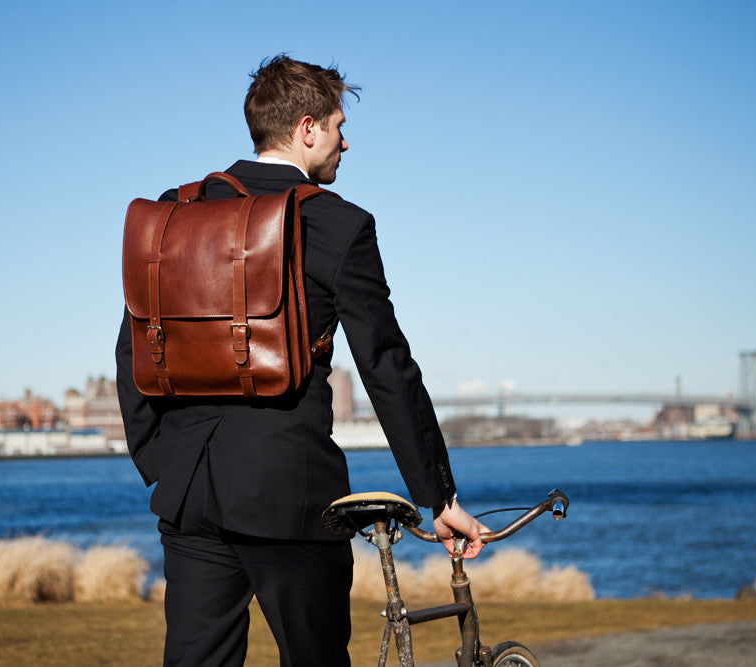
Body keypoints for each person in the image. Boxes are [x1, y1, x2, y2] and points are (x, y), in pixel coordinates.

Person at [115, 54, 486, 666]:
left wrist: (160, 461)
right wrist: (438, 499)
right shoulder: (338, 224)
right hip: (291, 492)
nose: (346, 141)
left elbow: (134, 341)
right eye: (340, 126)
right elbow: (387, 367)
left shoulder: (176, 214)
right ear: (307, 128)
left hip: (190, 495)